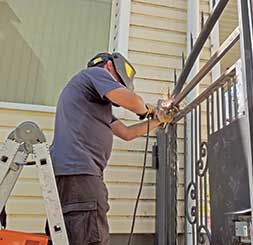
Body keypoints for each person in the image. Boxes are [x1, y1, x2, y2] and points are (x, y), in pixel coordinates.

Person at [49, 52, 173, 245]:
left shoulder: (94, 103)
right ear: (109, 67)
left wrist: (158, 121)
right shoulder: (94, 74)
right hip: (81, 172)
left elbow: (126, 133)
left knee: (71, 236)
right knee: (90, 237)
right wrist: (151, 110)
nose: (119, 88)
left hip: (76, 173)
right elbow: (135, 103)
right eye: (119, 82)